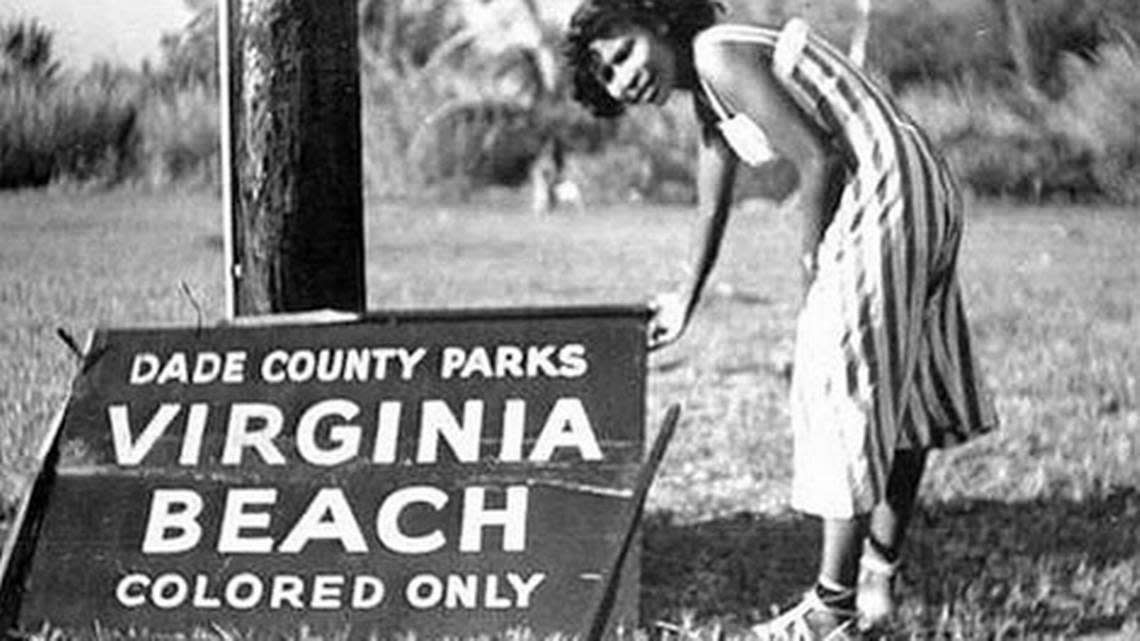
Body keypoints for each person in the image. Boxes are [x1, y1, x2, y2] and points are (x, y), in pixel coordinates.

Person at [563, 1, 999, 639]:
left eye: (623, 53)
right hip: (920, 183)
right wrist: (689, 292)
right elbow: (713, 194)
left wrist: (811, 280)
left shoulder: (715, 50)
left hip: (880, 187)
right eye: (608, 77)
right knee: (904, 397)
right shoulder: (710, 91)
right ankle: (877, 584)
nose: (624, 78)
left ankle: (831, 611)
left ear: (654, 22)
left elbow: (817, 159)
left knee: (839, 387)